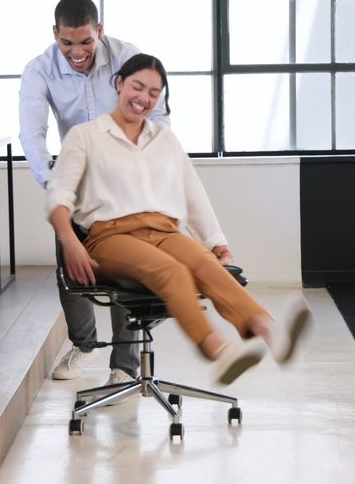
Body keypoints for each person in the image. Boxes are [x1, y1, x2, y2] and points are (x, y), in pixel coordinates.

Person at [47, 53, 312, 385]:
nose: (143, 98)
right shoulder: (85, 136)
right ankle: (218, 350)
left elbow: (192, 193)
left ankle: (270, 332)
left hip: (162, 228)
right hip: (110, 236)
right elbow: (58, 197)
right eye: (137, 87)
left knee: (203, 261)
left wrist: (219, 243)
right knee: (170, 270)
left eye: (154, 92)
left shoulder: (164, 140)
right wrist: (70, 241)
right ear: (119, 84)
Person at [19, 0, 169, 387]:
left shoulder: (126, 58)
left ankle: (125, 365)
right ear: (56, 35)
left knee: (125, 272)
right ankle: (84, 344)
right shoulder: (39, 70)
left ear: (98, 31)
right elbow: (32, 134)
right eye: (67, 43)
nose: (77, 52)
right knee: (72, 269)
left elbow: (159, 116)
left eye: (85, 42)